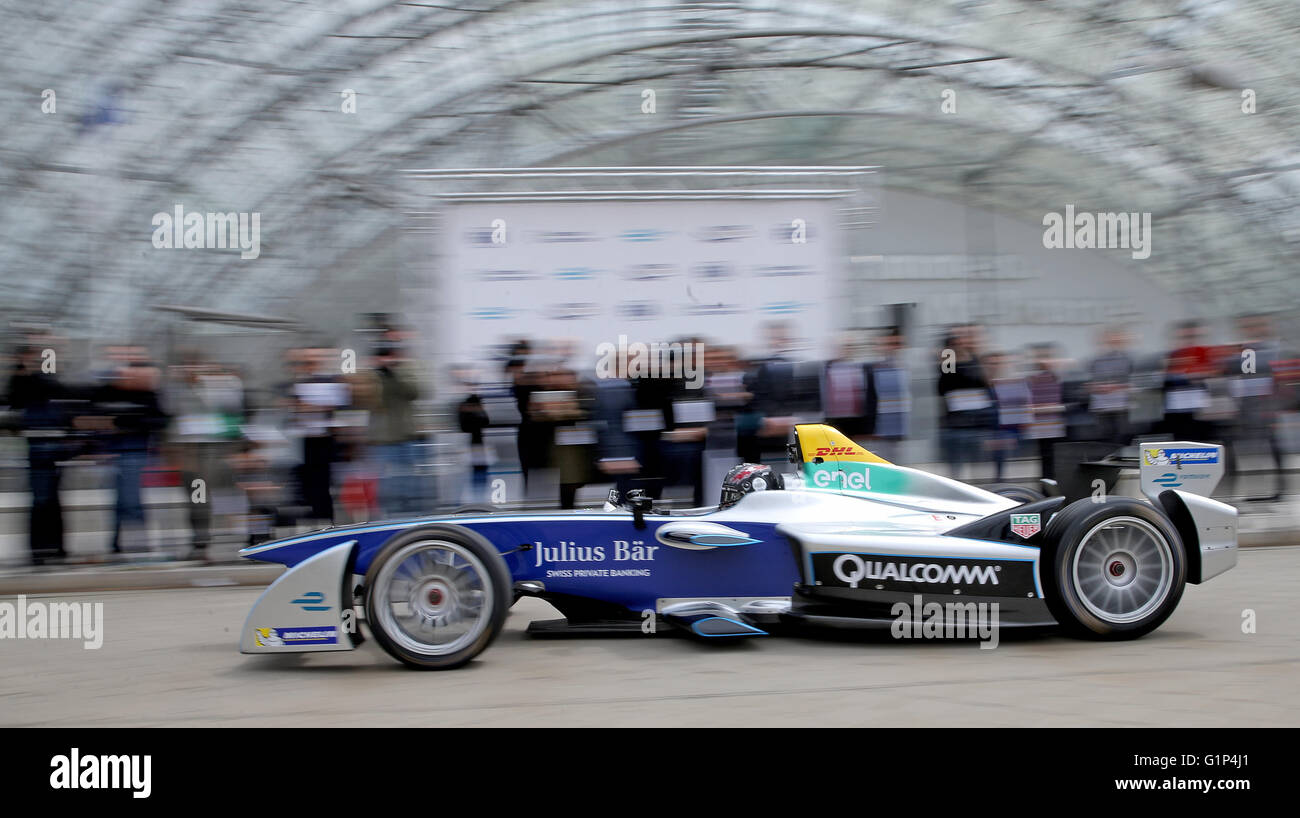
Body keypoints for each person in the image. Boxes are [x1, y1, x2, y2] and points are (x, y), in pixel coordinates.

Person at [87, 346, 168, 555]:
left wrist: (119, 423)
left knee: (130, 500)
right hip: (110, 453)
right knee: (118, 501)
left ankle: (135, 544)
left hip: (134, 451)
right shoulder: (104, 392)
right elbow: (91, 418)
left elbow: (157, 421)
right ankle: (119, 543)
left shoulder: (147, 394)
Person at [6, 344, 73, 565]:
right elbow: (13, 401)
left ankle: (53, 549)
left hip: (54, 445)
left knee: (51, 499)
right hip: (38, 447)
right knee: (42, 499)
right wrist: (21, 370)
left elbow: (53, 387)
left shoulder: (45, 378)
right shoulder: (21, 381)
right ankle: (41, 551)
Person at [366, 342, 424, 515]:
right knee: (386, 481)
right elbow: (374, 400)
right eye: (384, 356)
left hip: (405, 435)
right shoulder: (372, 377)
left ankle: (410, 513)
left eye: (391, 356)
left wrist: (395, 373)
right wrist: (381, 375)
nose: (388, 360)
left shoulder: (403, 373)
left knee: (408, 478)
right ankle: (388, 515)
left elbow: (414, 393)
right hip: (382, 439)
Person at [936, 324, 996, 480]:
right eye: (958, 339)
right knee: (957, 468)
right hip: (957, 423)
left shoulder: (977, 359)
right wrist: (950, 357)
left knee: (981, 467)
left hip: (978, 421)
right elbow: (945, 385)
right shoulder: (949, 358)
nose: (963, 342)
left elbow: (987, 384)